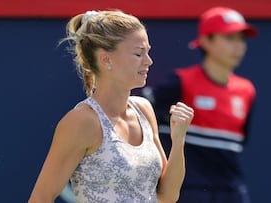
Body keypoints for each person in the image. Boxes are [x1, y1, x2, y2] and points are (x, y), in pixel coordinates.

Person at [27, 10, 194, 203]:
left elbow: (167, 197)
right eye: (139, 53)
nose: (149, 61)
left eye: (147, 52)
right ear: (106, 59)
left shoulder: (144, 110)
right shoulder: (82, 122)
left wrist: (179, 139)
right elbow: (40, 197)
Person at [142, 6, 257, 203]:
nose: (238, 46)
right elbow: (138, 118)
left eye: (241, 39)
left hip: (231, 192)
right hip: (186, 191)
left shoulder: (247, 90)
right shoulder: (180, 82)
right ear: (206, 41)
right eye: (230, 38)